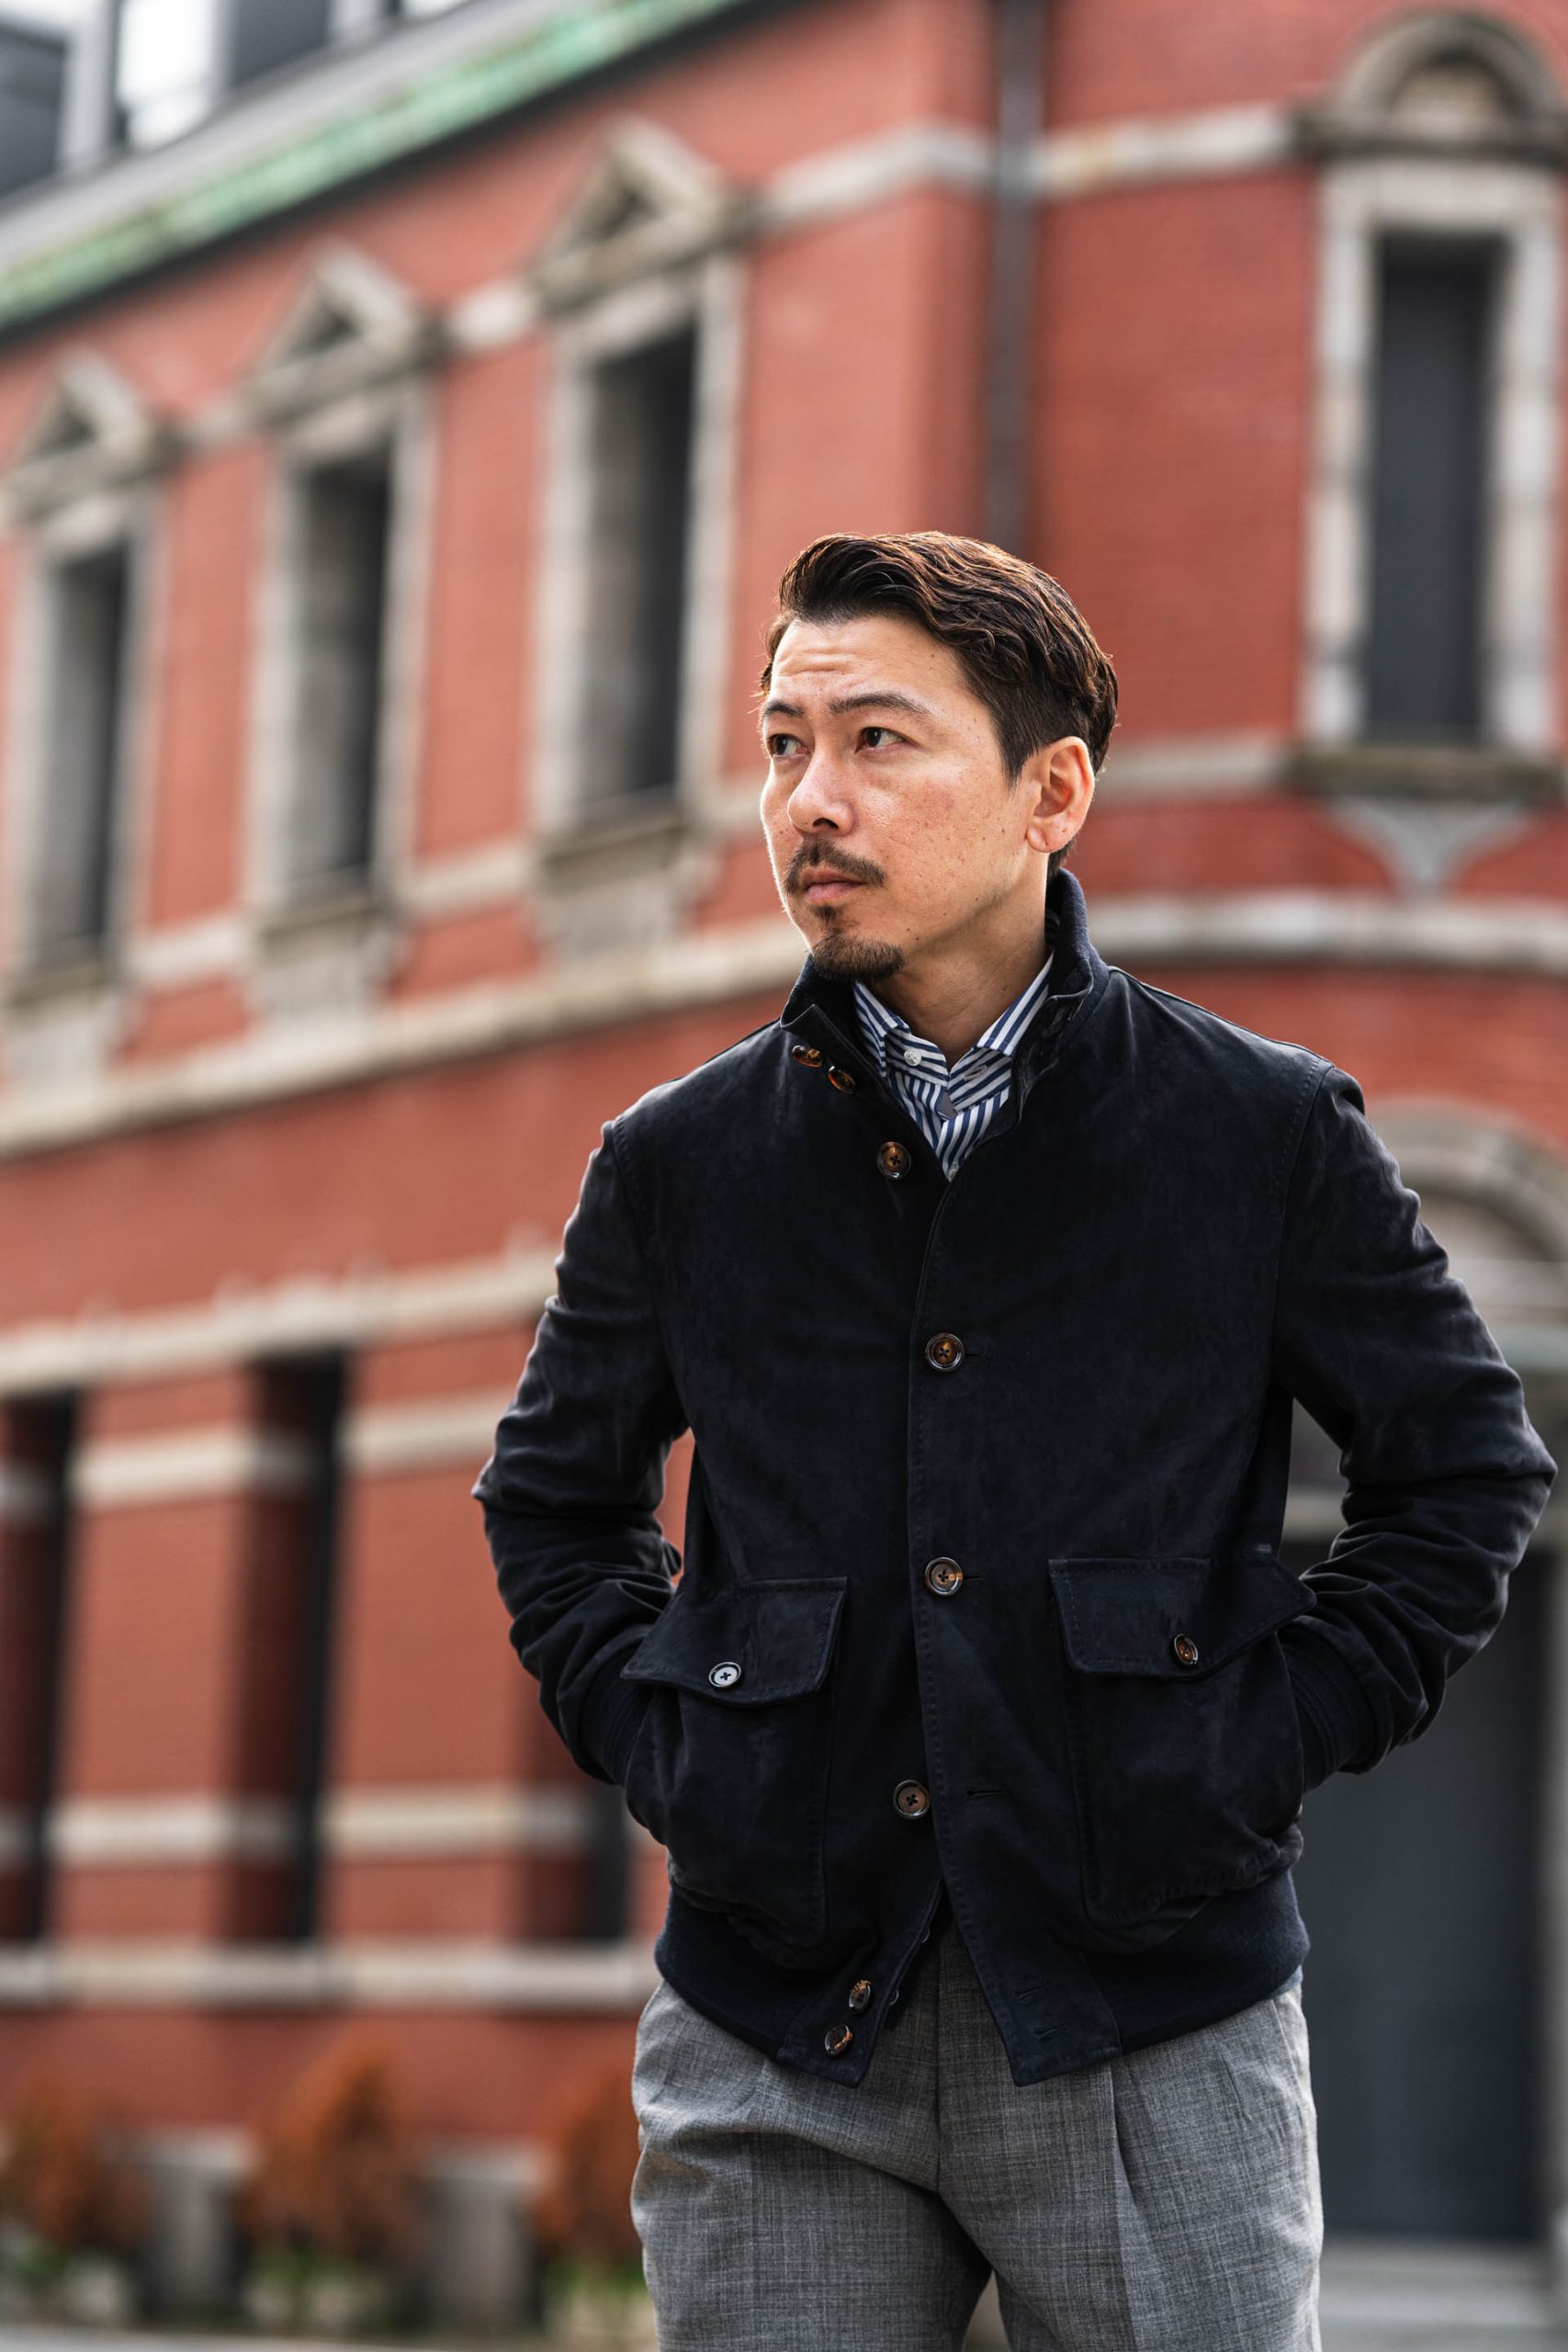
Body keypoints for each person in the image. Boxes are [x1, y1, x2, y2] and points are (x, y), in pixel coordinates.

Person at [473, 530, 1556, 2351]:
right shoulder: (677, 1166)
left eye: (876, 742)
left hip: (1155, 2027)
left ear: (1052, 792)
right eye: (781, 744)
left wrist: (1249, 1743)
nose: (809, 801)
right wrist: (684, 1750)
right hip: (774, 2037)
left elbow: (1464, 1471)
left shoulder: (1258, 1135)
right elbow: (552, 1502)